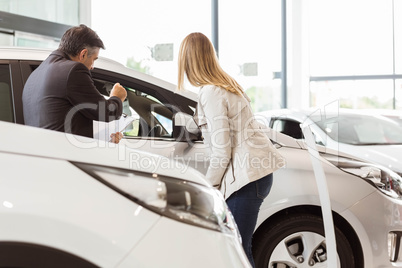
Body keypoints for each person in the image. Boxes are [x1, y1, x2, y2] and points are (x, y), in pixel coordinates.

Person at [177, 32, 284, 267]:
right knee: (237, 248)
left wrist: (208, 187)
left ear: (188, 60)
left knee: (237, 251)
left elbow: (222, 151)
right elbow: (208, 124)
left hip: (246, 179)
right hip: (254, 174)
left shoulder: (211, 92)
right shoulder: (224, 86)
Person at [22, 24, 127, 143]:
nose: (92, 67)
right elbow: (106, 112)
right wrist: (117, 97)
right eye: (93, 59)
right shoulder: (73, 70)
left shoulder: (34, 75)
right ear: (83, 54)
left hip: (43, 155)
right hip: (66, 156)